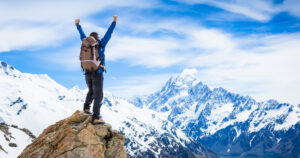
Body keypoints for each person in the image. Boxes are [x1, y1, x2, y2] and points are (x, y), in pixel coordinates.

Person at [75, 16, 117, 124]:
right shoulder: (101, 44)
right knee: (98, 94)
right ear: (97, 37)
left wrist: (77, 25)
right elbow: (109, 34)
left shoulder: (86, 42)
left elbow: (81, 34)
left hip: (87, 72)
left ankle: (86, 108)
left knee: (91, 91)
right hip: (97, 72)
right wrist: (114, 22)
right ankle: (96, 117)